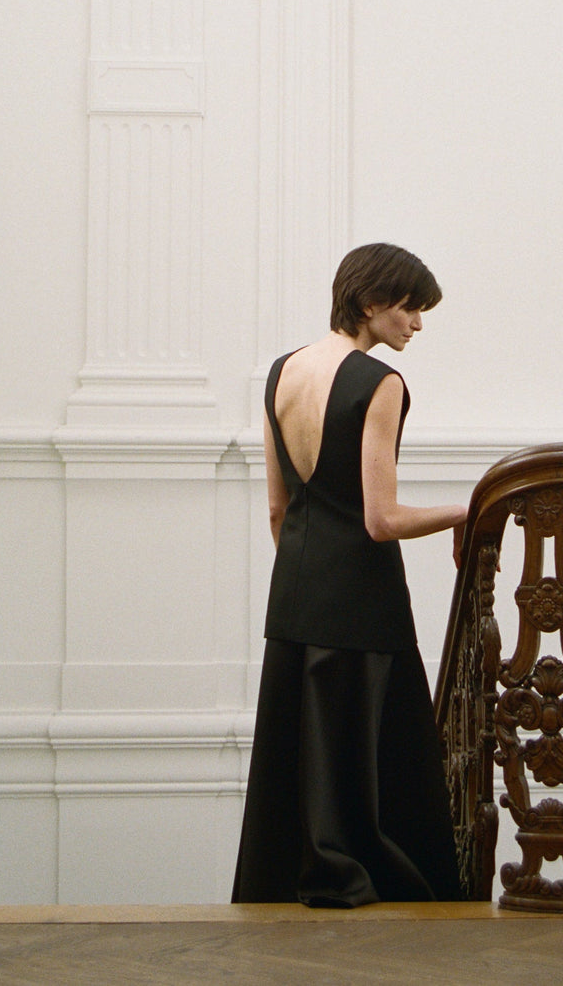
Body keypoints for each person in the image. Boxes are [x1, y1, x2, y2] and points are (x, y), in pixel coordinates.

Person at [232, 242, 468, 906]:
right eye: (409, 306)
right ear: (371, 302)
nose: (416, 323)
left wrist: (308, 582)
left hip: (296, 598)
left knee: (299, 767)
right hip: (363, 602)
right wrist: (465, 509)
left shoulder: (282, 371)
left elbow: (279, 510)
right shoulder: (381, 383)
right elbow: (381, 519)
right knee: (371, 771)